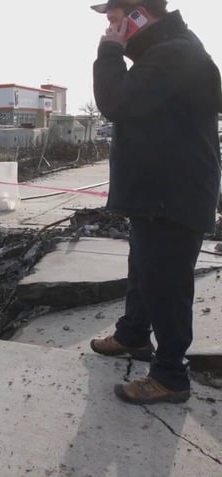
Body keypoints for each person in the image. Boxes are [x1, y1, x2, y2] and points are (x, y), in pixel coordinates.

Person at [88, 0, 222, 405]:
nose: (110, 28)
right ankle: (133, 335)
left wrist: (109, 52)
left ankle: (170, 376)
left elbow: (115, 103)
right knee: (144, 267)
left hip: (174, 192)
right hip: (158, 190)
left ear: (141, 15)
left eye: (115, 20)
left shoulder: (175, 54)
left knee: (166, 282)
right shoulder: (167, 52)